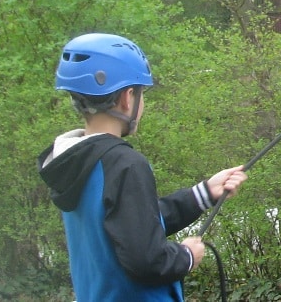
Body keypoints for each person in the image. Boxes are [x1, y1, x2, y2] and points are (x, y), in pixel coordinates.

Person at [37, 33, 248, 302]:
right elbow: (146, 259)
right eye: (141, 94)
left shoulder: (76, 162)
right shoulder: (125, 164)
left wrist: (204, 192)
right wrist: (186, 257)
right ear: (127, 98)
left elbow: (130, 224)